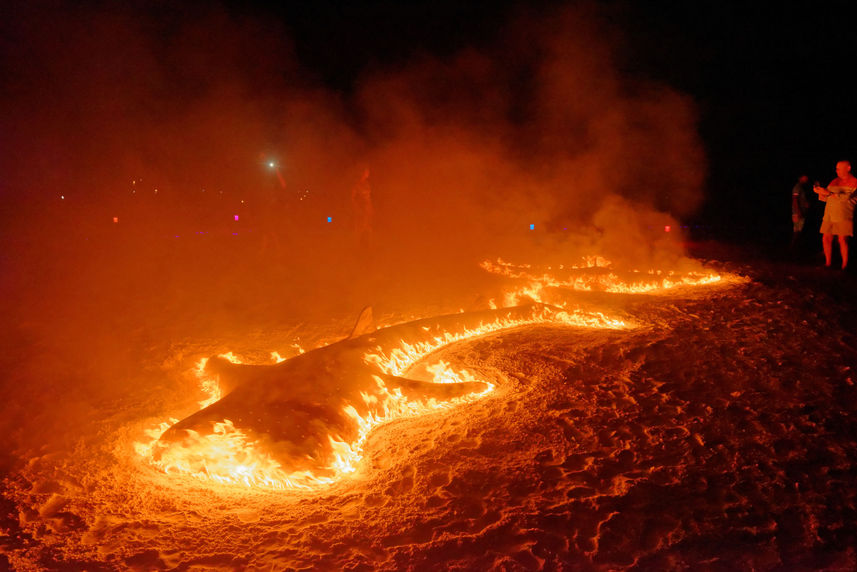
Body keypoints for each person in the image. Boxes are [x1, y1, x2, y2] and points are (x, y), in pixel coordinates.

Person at [814, 160, 857, 269]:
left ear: (848, 168)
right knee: (826, 238)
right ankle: (828, 263)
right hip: (829, 214)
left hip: (844, 214)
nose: (836, 170)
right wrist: (820, 192)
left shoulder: (854, 181)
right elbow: (826, 197)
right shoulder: (834, 181)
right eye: (836, 168)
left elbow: (846, 198)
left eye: (839, 168)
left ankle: (845, 265)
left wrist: (828, 193)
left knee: (842, 240)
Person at [351, 166, 373, 249]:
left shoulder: (367, 183)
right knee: (359, 228)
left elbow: (369, 197)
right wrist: (357, 208)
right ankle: (356, 246)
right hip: (361, 208)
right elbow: (352, 198)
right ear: (363, 173)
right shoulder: (356, 184)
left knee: (369, 228)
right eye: (366, 172)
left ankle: (369, 246)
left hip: (367, 208)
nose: (368, 174)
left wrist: (371, 207)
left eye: (368, 172)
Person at [791, 174, 811, 251]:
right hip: (797, 212)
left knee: (800, 230)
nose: (806, 179)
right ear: (800, 178)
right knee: (797, 231)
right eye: (804, 177)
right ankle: (792, 248)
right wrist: (798, 211)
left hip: (802, 211)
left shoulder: (803, 187)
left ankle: (796, 248)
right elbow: (795, 200)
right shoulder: (797, 187)